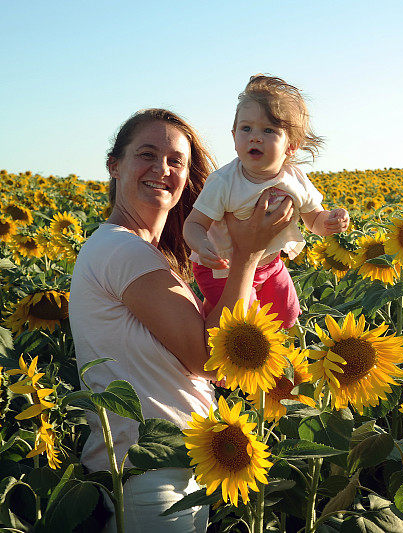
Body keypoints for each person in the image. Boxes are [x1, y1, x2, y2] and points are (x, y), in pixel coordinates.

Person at [69, 108, 295, 532]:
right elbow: (208, 358)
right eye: (147, 155)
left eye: (177, 161)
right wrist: (247, 254)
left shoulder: (146, 255)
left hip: (173, 467)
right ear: (114, 165)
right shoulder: (123, 251)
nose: (162, 169)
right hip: (148, 473)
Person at [183, 74, 349, 328]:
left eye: (269, 130)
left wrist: (331, 221)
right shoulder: (224, 181)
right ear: (234, 135)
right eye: (246, 128)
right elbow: (194, 223)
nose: (255, 137)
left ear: (291, 147)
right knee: (246, 325)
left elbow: (314, 219)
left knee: (288, 315)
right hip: (222, 270)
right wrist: (201, 244)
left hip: (270, 263)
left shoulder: (295, 179)